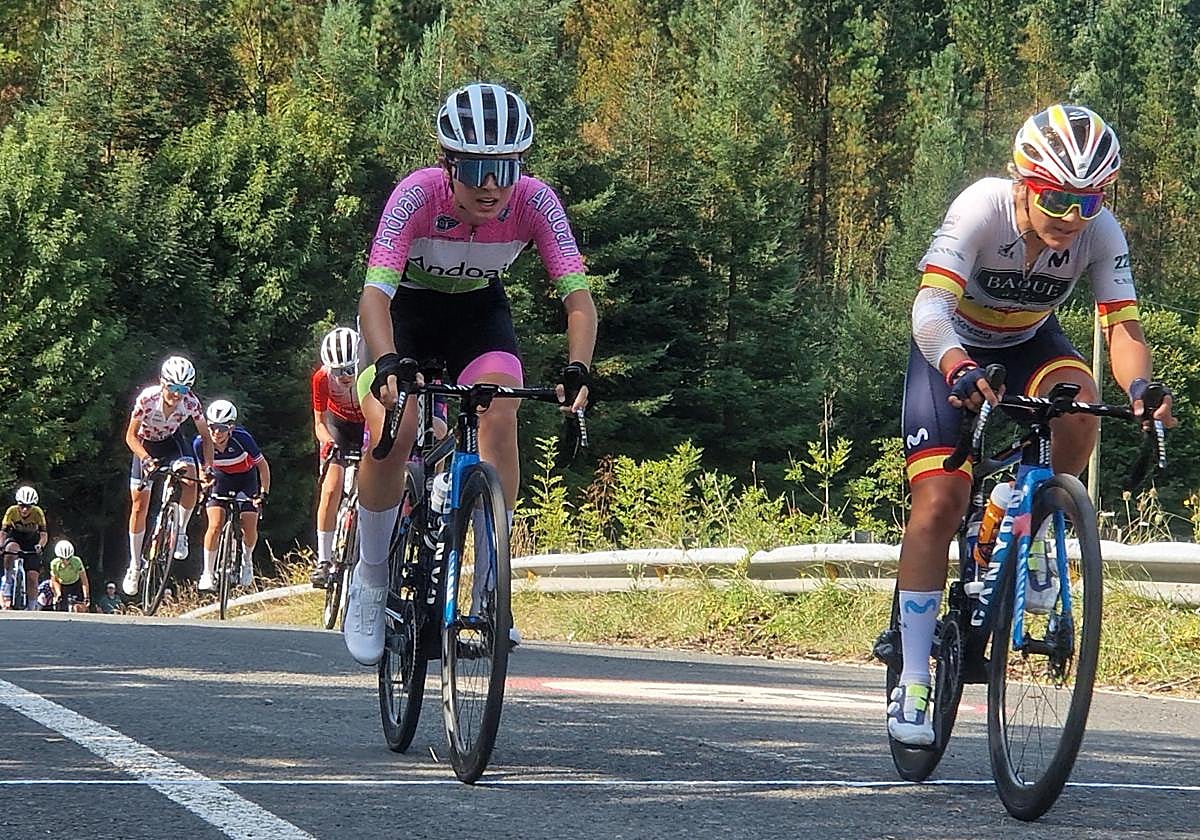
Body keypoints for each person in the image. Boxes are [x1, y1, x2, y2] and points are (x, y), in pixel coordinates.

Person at [890, 104, 1178, 746]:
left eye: (1089, 201)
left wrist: (1140, 386)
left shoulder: (1101, 232)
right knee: (940, 500)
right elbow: (930, 309)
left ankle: (1039, 516)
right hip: (951, 344)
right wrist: (959, 366)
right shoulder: (982, 207)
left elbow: (1122, 328)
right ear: (1023, 182)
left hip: (1029, 343)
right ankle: (912, 677)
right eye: (1056, 198)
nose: (1071, 218)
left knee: (1081, 396)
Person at [345, 82, 596, 665]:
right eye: (477, 167)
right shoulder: (415, 197)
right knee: (397, 427)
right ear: (448, 163)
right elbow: (374, 298)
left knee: (501, 405)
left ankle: (491, 584)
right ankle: (372, 575)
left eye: (505, 169)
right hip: (403, 314)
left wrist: (579, 366)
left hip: (478, 314)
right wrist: (385, 362)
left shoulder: (537, 202)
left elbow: (579, 299)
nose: (490, 185)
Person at [122, 356, 214, 596]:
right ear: (163, 383)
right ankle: (135, 564)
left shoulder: (190, 403)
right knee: (139, 505)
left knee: (190, 477)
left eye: (183, 389)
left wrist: (208, 468)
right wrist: (145, 459)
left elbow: (205, 437)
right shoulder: (147, 399)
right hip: (145, 446)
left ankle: (180, 531)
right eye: (173, 388)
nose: (177, 394)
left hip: (172, 443)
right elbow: (130, 437)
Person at [194, 399, 271, 590]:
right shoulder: (200, 443)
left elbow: (262, 466)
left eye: (221, 428)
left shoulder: (242, 438)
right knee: (215, 524)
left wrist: (263, 493)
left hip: (246, 479)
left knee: (248, 522)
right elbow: (201, 470)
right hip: (220, 479)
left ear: (231, 428)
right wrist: (204, 485)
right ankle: (208, 572)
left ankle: (247, 560)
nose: (216, 433)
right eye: (212, 427)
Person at [310, 327, 365, 588]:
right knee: (331, 489)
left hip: (367, 424)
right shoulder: (321, 378)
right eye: (337, 370)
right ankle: (323, 559)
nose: (344, 376)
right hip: (338, 426)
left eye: (349, 369)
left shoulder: (371, 370)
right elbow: (319, 423)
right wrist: (329, 443)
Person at [2, 485, 49, 609]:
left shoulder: (38, 513)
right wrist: (1, 545)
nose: (24, 510)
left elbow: (44, 534)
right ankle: (8, 581)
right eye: (21, 505)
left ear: (32, 506)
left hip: (32, 541)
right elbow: (3, 532)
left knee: (33, 577)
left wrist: (40, 545)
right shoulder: (11, 511)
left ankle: (32, 606)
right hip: (16, 538)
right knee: (10, 549)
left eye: (28, 506)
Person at [49, 539, 90, 613]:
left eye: (68, 559)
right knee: (61, 607)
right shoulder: (54, 564)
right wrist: (58, 593)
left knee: (78, 608)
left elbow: (84, 580)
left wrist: (86, 596)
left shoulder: (77, 561)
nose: (66, 562)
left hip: (75, 584)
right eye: (62, 559)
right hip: (62, 585)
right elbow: (54, 580)